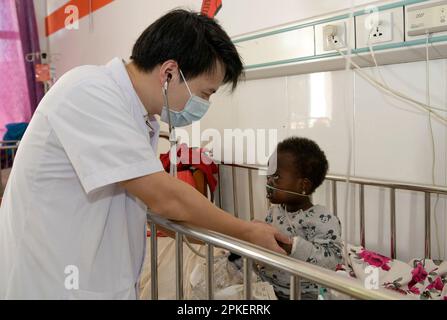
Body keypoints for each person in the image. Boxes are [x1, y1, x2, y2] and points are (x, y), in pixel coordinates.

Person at [0, 9, 290, 300]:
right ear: (169, 73)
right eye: (205, 94)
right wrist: (246, 231)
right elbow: (166, 197)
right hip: (50, 283)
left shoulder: (142, 117)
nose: (204, 105)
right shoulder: (88, 91)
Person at [229, 137, 343, 300]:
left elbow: (332, 260)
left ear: (303, 186)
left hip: (306, 292)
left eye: (276, 177)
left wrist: (291, 246)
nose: (268, 181)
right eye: (269, 175)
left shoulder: (323, 219)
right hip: (270, 286)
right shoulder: (273, 213)